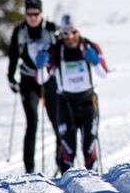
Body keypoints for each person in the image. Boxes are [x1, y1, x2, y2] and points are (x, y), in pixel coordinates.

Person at [36, 15, 107, 174]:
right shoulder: (55, 49)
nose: (69, 36)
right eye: (65, 33)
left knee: (89, 147)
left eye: (73, 32)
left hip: (88, 102)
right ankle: (67, 185)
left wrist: (95, 61)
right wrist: (41, 65)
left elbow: (103, 73)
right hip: (65, 103)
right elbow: (42, 79)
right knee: (68, 148)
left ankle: (95, 182)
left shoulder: (90, 46)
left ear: (79, 31)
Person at [7, 0, 60, 174]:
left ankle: (62, 164)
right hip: (28, 79)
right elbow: (13, 55)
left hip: (48, 78)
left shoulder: (51, 29)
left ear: (41, 13)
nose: (32, 17)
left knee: (57, 120)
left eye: (36, 13)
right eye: (29, 14)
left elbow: (60, 52)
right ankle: (29, 168)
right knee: (32, 122)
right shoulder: (19, 31)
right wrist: (11, 77)